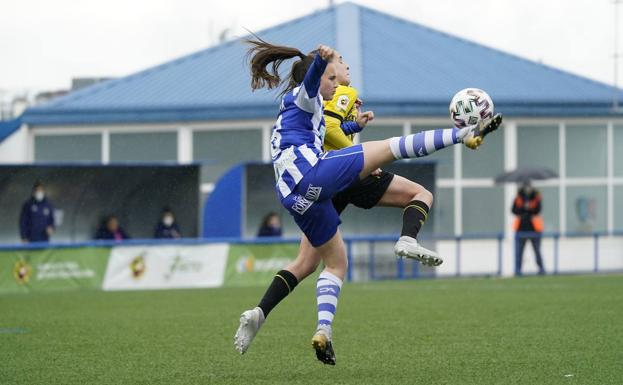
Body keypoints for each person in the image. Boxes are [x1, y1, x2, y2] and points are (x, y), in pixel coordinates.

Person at [234, 40, 503, 365]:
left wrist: (354, 126)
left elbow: (320, 129)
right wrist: (321, 61)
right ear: (319, 78)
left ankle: (288, 321)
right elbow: (310, 84)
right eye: (331, 79)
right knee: (391, 147)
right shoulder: (305, 96)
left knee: (333, 265)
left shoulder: (308, 109)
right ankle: (463, 135)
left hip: (295, 196)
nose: (337, 84)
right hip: (311, 174)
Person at [512, 181, 545, 276]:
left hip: (534, 229)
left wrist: (529, 208)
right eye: (526, 187)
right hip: (521, 228)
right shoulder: (518, 197)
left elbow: (538, 210)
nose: (528, 189)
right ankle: (518, 270)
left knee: (537, 251)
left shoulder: (536, 197)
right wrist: (523, 209)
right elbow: (514, 210)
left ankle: (541, 269)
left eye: (529, 187)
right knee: (519, 252)